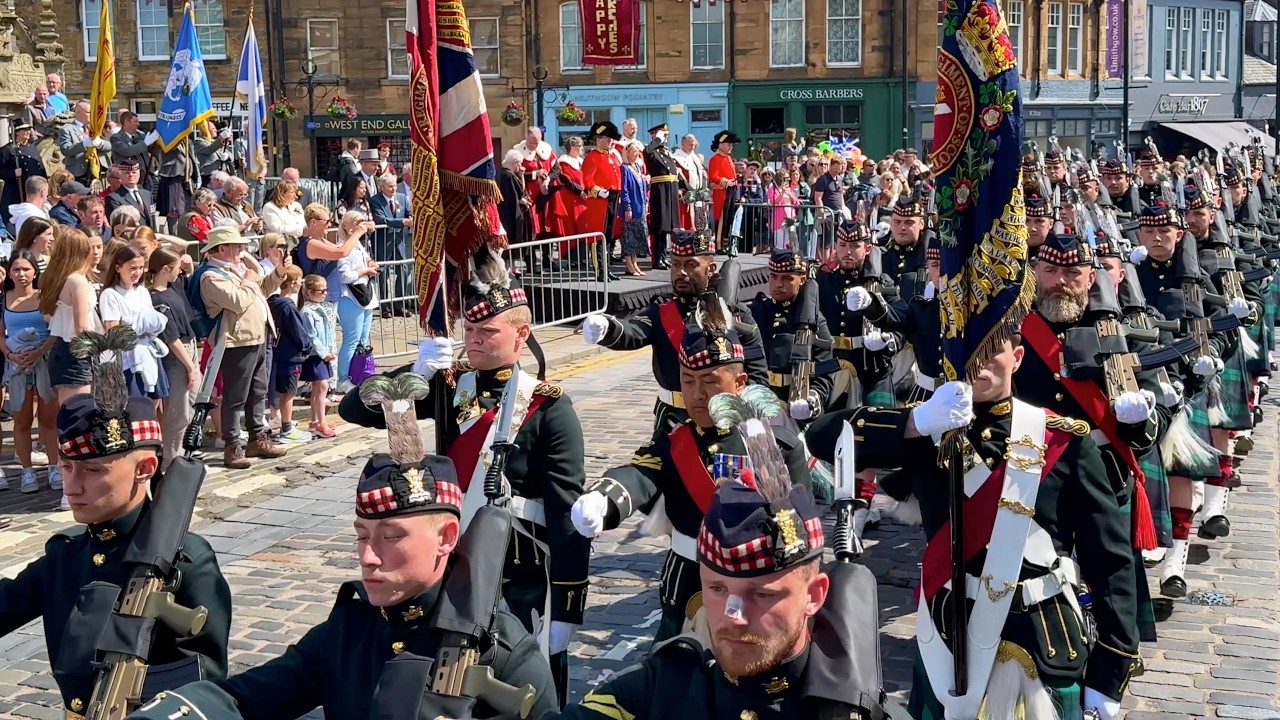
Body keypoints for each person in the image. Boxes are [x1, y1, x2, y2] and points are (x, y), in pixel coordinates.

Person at [805, 335, 1141, 720]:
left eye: (992, 351)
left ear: (1016, 358)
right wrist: (915, 421)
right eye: (967, 353)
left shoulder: (1062, 438)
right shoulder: (928, 431)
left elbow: (1110, 559)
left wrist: (1109, 672)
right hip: (949, 637)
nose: (978, 364)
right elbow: (823, 437)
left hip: (1044, 640)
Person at [341, 247, 590, 707]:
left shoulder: (549, 408)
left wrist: (568, 606)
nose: (474, 341)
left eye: (487, 332)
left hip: (519, 572)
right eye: (469, 331)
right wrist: (414, 373)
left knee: (520, 685)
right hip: (452, 561)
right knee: (448, 679)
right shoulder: (450, 383)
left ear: (521, 336)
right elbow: (353, 408)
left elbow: (566, 511)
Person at [0, 352, 232, 718]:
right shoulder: (67, 556)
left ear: (145, 468)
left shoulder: (186, 560)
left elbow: (203, 690)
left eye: (93, 470)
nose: (72, 487)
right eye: (66, 467)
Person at [572, 294, 808, 644]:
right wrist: (604, 500)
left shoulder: (768, 441)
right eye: (688, 380)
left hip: (749, 581)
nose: (697, 394)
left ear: (739, 384)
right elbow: (641, 472)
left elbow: (793, 522)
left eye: (710, 382)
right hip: (685, 579)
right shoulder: (674, 441)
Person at [561, 476, 886, 718]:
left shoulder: (851, 708)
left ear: (814, 595)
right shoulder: (663, 686)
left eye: (760, 593)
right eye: (717, 589)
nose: (733, 615)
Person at [580, 230, 769, 440]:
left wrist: (749, 416)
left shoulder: (737, 315)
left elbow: (758, 373)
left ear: (710, 269)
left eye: (690, 265)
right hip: (673, 419)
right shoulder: (661, 312)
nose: (681, 272)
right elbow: (634, 332)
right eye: (676, 264)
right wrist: (608, 327)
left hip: (725, 419)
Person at [197, 226, 287, 469]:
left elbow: (262, 291)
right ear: (222, 248)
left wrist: (278, 271)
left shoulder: (235, 271)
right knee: (235, 397)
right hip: (236, 341)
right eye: (237, 246)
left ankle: (257, 438)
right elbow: (238, 301)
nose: (242, 249)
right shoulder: (211, 276)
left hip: (256, 337)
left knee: (258, 392)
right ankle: (232, 445)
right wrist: (249, 279)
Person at [0, 250, 57, 493]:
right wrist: (12, 355)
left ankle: (55, 467)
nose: (21, 274)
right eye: (16, 269)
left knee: (48, 420)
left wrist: (40, 351)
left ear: (35, 271)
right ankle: (27, 471)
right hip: (17, 366)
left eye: (26, 269)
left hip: (44, 362)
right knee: (21, 421)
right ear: (9, 272)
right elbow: (0, 335)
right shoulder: (4, 300)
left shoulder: (45, 297)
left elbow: (55, 330)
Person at [146, 247, 201, 470]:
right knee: (178, 412)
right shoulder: (156, 299)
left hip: (190, 348)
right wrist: (189, 365)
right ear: (166, 269)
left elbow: (187, 264)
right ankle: (171, 461)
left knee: (193, 403)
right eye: (175, 269)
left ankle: (184, 453)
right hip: (179, 354)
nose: (179, 273)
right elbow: (171, 338)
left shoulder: (172, 288)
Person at [268, 266, 312, 443]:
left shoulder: (272, 302)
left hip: (278, 352)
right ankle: (287, 427)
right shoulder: (288, 306)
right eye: (300, 280)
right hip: (291, 355)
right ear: (293, 282)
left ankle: (284, 423)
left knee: (284, 391)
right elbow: (298, 331)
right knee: (289, 392)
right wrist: (307, 347)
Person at [580, 121, 623, 282]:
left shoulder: (611, 156)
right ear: (599, 139)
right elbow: (586, 179)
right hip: (600, 200)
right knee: (598, 236)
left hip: (613, 197)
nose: (611, 142)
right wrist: (598, 191)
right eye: (608, 138)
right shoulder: (592, 156)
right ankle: (600, 271)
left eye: (612, 139)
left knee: (609, 236)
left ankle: (608, 268)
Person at [298, 274, 337, 438]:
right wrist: (324, 353)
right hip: (316, 356)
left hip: (323, 355)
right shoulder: (307, 312)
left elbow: (327, 333)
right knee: (322, 387)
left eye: (326, 290)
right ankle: (321, 423)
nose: (325, 294)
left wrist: (331, 349)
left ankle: (314, 421)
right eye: (321, 291)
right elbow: (311, 336)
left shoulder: (320, 308)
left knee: (318, 389)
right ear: (308, 292)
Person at [0, 120, 46, 229]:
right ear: (17, 133)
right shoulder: (8, 150)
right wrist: (12, 173)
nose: (28, 132)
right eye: (24, 130)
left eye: (28, 129)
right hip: (15, 190)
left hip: (32, 190)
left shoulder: (33, 148)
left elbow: (40, 167)